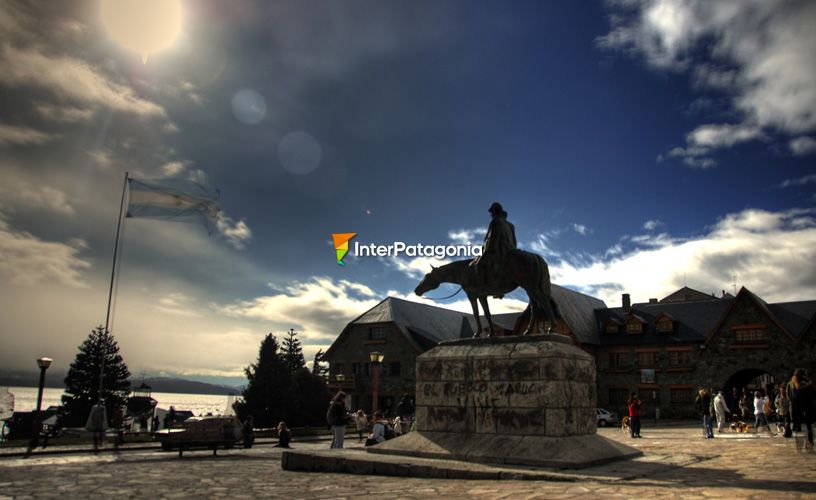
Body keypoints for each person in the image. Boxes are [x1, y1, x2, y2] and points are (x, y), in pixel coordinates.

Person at [469, 202, 517, 295]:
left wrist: (486, 252)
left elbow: (493, 238)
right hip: (510, 250)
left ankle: (484, 288)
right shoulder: (511, 225)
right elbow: (514, 241)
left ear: (495, 211)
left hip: (498, 250)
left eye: (491, 212)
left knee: (479, 265)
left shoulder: (495, 221)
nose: (491, 214)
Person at [788, 368, 814, 449]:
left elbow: (789, 397)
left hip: (797, 409)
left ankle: (801, 444)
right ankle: (808, 442)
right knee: (807, 427)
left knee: (800, 427)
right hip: (804, 408)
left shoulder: (790, 383)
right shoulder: (806, 384)